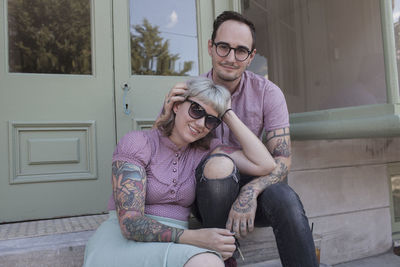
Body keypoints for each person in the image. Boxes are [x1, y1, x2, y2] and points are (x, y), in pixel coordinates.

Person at [157, 11, 318, 267]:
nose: (231, 58)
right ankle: (224, 258)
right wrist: (165, 118)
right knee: (218, 165)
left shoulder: (268, 93)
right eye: (223, 47)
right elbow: (163, 157)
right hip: (203, 191)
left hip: (253, 178)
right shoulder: (189, 92)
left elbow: (282, 162)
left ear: (251, 56)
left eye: (241, 51)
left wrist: (250, 192)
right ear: (211, 47)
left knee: (284, 198)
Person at [83, 77, 276, 267]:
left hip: (175, 245)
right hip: (122, 242)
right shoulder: (138, 143)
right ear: (176, 106)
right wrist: (197, 237)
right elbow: (130, 224)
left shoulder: (207, 151)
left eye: (211, 120)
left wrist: (227, 113)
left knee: (209, 262)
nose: (201, 124)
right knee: (209, 262)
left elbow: (265, 164)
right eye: (196, 110)